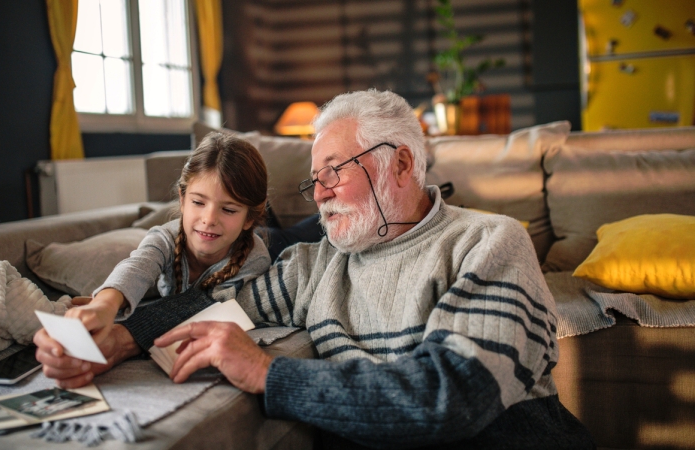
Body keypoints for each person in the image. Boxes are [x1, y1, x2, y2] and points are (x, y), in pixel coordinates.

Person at [38, 89, 595, 449]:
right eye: (314, 177)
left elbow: (451, 397)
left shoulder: (488, 241)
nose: (318, 192)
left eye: (335, 170)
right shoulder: (316, 262)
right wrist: (118, 339)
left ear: (400, 163)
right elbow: (219, 305)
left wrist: (265, 372)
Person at [34, 132, 272, 387]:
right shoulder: (166, 237)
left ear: (249, 218)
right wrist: (104, 303)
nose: (209, 218)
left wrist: (123, 335)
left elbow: (204, 306)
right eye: (198, 202)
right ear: (182, 200)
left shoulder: (255, 261)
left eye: (228, 209)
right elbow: (139, 265)